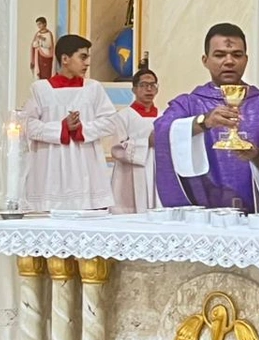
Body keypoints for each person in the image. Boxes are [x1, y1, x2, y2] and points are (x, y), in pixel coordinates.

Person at [153, 23, 259, 213]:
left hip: (258, 218)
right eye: (219, 55)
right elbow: (158, 134)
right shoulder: (188, 104)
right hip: (203, 217)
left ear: (246, 59)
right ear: (205, 60)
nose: (229, 61)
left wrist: (258, 156)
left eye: (236, 55)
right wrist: (203, 121)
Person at [21, 34, 119, 211]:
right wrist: (61, 128)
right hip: (51, 170)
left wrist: (82, 128)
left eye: (88, 57)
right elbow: (28, 125)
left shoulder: (93, 88)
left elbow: (111, 121)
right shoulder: (41, 89)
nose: (87, 63)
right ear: (65, 59)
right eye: (82, 57)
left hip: (85, 168)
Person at [111, 68, 160, 214]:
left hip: (157, 171)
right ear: (134, 89)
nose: (149, 89)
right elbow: (117, 148)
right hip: (130, 174)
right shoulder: (123, 116)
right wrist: (146, 142)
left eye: (153, 85)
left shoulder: (164, 115)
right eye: (144, 85)